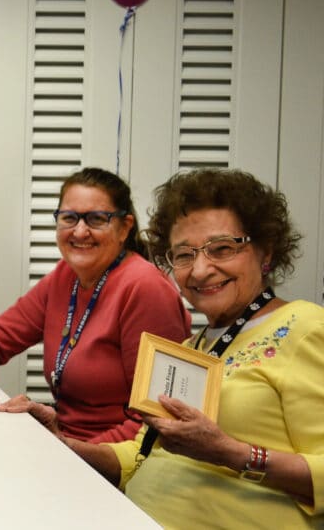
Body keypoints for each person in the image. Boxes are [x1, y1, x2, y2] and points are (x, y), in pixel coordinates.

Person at [66, 168, 324, 528]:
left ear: (266, 252)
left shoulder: (306, 327)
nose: (200, 270)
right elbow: (141, 453)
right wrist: (62, 445)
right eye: (184, 255)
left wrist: (228, 452)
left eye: (222, 248)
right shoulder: (193, 346)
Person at [0, 167, 191, 443]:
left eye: (96, 219)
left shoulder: (145, 288)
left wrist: (74, 454)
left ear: (124, 227)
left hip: (117, 462)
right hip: (67, 444)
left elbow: (155, 423)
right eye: (69, 218)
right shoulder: (67, 276)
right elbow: (0, 333)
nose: (80, 231)